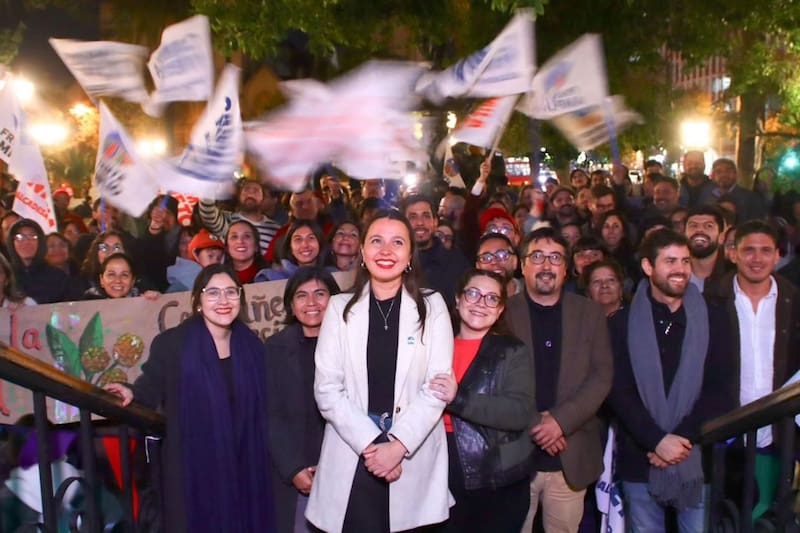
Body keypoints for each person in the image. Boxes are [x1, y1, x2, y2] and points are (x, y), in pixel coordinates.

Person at [306, 209, 454, 533]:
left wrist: (398, 446)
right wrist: (374, 446)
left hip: (412, 455)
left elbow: (438, 387)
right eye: (376, 241)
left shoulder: (432, 307)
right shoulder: (339, 308)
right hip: (354, 453)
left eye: (397, 242)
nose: (386, 250)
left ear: (410, 254)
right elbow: (327, 389)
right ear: (362, 251)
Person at [105, 264, 275, 533]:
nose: (223, 300)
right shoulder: (173, 344)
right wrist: (131, 391)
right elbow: (150, 385)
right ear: (197, 301)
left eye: (231, 292)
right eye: (213, 293)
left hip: (245, 462)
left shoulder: (253, 347)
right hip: (193, 466)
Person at [606, 229, 734, 532]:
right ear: (648, 267)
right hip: (640, 458)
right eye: (670, 261)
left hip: (695, 458)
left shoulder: (715, 318)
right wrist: (656, 441)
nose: (680, 269)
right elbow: (618, 391)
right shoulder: (621, 323)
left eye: (686, 261)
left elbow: (721, 391)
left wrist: (679, 441)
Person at [504, 227, 613, 533]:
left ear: (566, 268)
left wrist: (560, 422)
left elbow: (601, 376)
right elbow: (496, 381)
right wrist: (537, 424)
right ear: (522, 265)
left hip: (571, 454)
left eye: (555, 258)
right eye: (537, 256)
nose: (546, 265)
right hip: (515, 455)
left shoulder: (589, 313)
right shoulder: (503, 313)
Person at [705, 220, 800, 520]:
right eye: (748, 250)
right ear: (733, 253)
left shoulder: (795, 301)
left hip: (782, 436)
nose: (757, 259)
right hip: (726, 434)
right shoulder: (710, 301)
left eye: (765, 251)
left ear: (778, 255)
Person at [435, 268, 534, 532]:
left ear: (500, 310)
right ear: (458, 299)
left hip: (495, 479)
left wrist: (459, 399)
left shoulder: (512, 351)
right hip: (438, 467)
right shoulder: (433, 345)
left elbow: (519, 412)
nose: (481, 303)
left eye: (492, 298)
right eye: (473, 294)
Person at [265, 267, 341, 533]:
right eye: (301, 295)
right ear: (290, 305)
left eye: (320, 294)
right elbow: (270, 415)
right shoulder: (274, 349)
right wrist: (294, 469)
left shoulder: (352, 345)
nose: (311, 303)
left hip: (343, 469)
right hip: (297, 475)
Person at [6, 219, 70, 304]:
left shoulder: (58, 277)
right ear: (12, 242)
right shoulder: (5, 276)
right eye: (20, 237)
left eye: (32, 236)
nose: (27, 242)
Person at [259, 220, 326, 281]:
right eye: (298, 239)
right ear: (290, 248)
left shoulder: (331, 274)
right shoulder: (269, 278)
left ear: (320, 243)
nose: (305, 245)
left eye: (311, 238)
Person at [83, 254, 159, 300]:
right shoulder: (88, 301)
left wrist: (156, 302)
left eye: (124, 275)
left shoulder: (142, 298)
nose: (118, 280)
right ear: (101, 280)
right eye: (111, 274)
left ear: (133, 281)